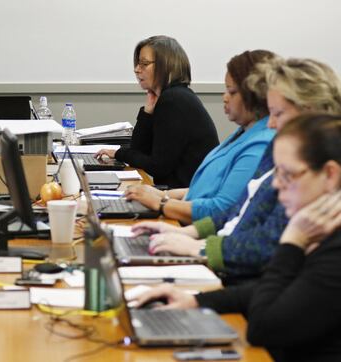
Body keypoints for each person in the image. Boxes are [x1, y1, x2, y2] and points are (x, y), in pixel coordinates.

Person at [132, 113, 341, 362]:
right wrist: (196, 301)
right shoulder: (322, 228)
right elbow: (277, 289)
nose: (275, 186)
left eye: (287, 175)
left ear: (330, 175)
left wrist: (292, 242)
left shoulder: (330, 247)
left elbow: (263, 327)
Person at [131, 57, 341, 281]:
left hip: (237, 270)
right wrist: (186, 234)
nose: (270, 123)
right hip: (225, 259)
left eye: (278, 114)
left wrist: (197, 247)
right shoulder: (273, 145)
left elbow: (266, 241)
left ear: (307, 112)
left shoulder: (309, 168)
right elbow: (239, 210)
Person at [125, 50, 276, 223]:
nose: (225, 97)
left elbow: (220, 210)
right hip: (189, 220)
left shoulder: (260, 145)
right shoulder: (244, 131)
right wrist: (162, 194)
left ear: (255, 96)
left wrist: (161, 202)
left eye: (231, 92)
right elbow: (207, 187)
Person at [95, 36, 219, 188]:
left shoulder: (173, 100)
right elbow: (139, 151)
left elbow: (158, 167)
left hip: (186, 199)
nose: (136, 69)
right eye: (137, 63)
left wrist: (119, 153)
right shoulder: (173, 96)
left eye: (144, 64)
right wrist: (147, 112)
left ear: (166, 66)